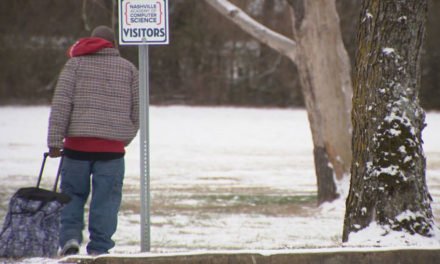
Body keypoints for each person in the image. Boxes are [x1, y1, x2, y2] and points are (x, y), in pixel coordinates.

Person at [47, 25, 139, 256]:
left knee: (72, 195)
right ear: (113, 45)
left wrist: (55, 141)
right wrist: (123, 137)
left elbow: (61, 104)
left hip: (77, 147)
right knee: (106, 200)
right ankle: (99, 248)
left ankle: (69, 238)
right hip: (112, 150)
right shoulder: (128, 69)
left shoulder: (75, 65)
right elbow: (137, 111)